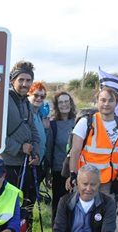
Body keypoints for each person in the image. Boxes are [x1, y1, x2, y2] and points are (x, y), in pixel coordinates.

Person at [0, 60, 40, 232]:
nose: (25, 84)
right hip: (8, 164)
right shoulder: (3, 101)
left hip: (25, 164)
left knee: (25, 205)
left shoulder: (26, 104)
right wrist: (18, 148)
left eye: (28, 80)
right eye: (21, 79)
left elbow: (33, 131)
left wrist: (36, 153)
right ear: (12, 80)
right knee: (7, 207)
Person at [65, 87, 118, 195]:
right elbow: (75, 150)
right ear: (97, 101)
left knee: (106, 211)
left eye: (111, 100)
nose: (106, 104)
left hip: (109, 181)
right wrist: (73, 174)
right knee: (83, 210)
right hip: (86, 180)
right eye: (103, 100)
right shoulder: (86, 122)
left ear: (116, 103)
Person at [49, 91, 77, 223]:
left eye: (66, 101)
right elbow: (49, 149)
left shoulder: (79, 122)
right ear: (56, 105)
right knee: (59, 204)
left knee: (75, 204)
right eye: (61, 102)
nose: (64, 104)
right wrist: (48, 171)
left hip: (77, 171)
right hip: (59, 171)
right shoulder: (53, 125)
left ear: (71, 103)